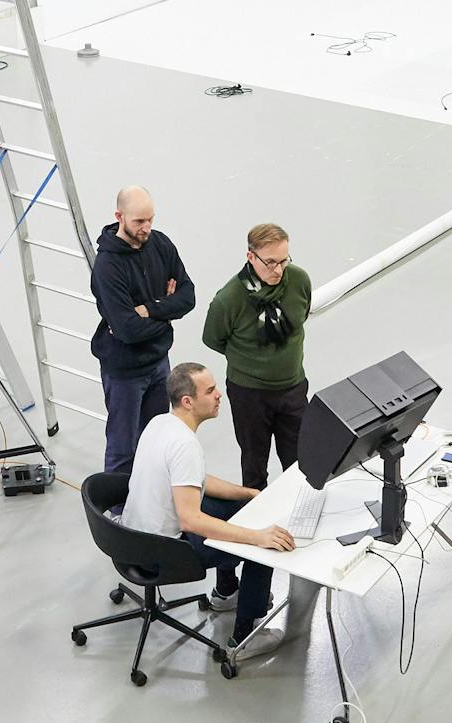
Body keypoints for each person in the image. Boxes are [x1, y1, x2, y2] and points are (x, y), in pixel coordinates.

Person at [118, 364, 294, 659]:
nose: (219, 395)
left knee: (243, 510)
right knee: (265, 547)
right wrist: (256, 538)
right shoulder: (185, 444)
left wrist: (249, 494)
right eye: (210, 391)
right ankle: (246, 636)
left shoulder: (160, 423)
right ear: (188, 401)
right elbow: (191, 519)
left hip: (132, 538)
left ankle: (226, 592)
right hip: (163, 551)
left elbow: (194, 481)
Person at [89, 185, 195, 474]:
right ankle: (116, 511)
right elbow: (127, 330)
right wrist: (168, 310)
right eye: (139, 221)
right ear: (119, 217)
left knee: (156, 440)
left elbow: (188, 297)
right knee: (124, 448)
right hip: (125, 372)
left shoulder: (160, 245)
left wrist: (150, 309)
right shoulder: (107, 267)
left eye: (150, 219)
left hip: (159, 364)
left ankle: (150, 500)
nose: (146, 227)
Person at [200, 222, 311, 490]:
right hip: (249, 394)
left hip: (292, 389)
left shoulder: (299, 281)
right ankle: (256, 525)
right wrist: (250, 359)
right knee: (254, 465)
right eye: (270, 262)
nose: (278, 270)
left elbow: (302, 314)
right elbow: (212, 338)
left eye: (283, 261)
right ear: (251, 257)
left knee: (301, 464)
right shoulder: (229, 299)